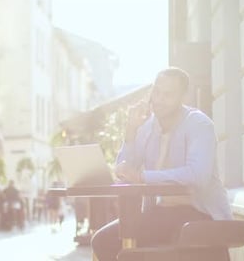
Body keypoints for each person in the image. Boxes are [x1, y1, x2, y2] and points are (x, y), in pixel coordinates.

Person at [90, 67, 233, 261]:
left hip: (200, 212)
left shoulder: (199, 125)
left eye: (167, 95)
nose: (158, 99)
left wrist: (143, 177)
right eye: (156, 92)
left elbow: (198, 175)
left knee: (122, 243)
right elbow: (124, 170)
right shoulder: (147, 126)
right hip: (161, 212)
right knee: (103, 241)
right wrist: (131, 131)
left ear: (183, 97)